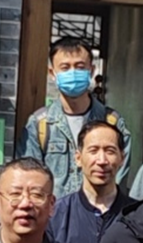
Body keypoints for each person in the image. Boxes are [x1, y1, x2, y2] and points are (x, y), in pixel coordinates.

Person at [18, 37, 131, 197]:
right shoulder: (39, 124)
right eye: (65, 68)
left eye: (79, 67)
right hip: (55, 211)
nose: (72, 73)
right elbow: (29, 178)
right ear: (52, 73)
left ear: (91, 70)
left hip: (100, 209)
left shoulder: (112, 122)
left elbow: (119, 178)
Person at [47, 119, 128, 243]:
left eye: (110, 151)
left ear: (122, 158)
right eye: (93, 151)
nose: (101, 161)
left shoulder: (138, 215)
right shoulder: (56, 215)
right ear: (78, 158)